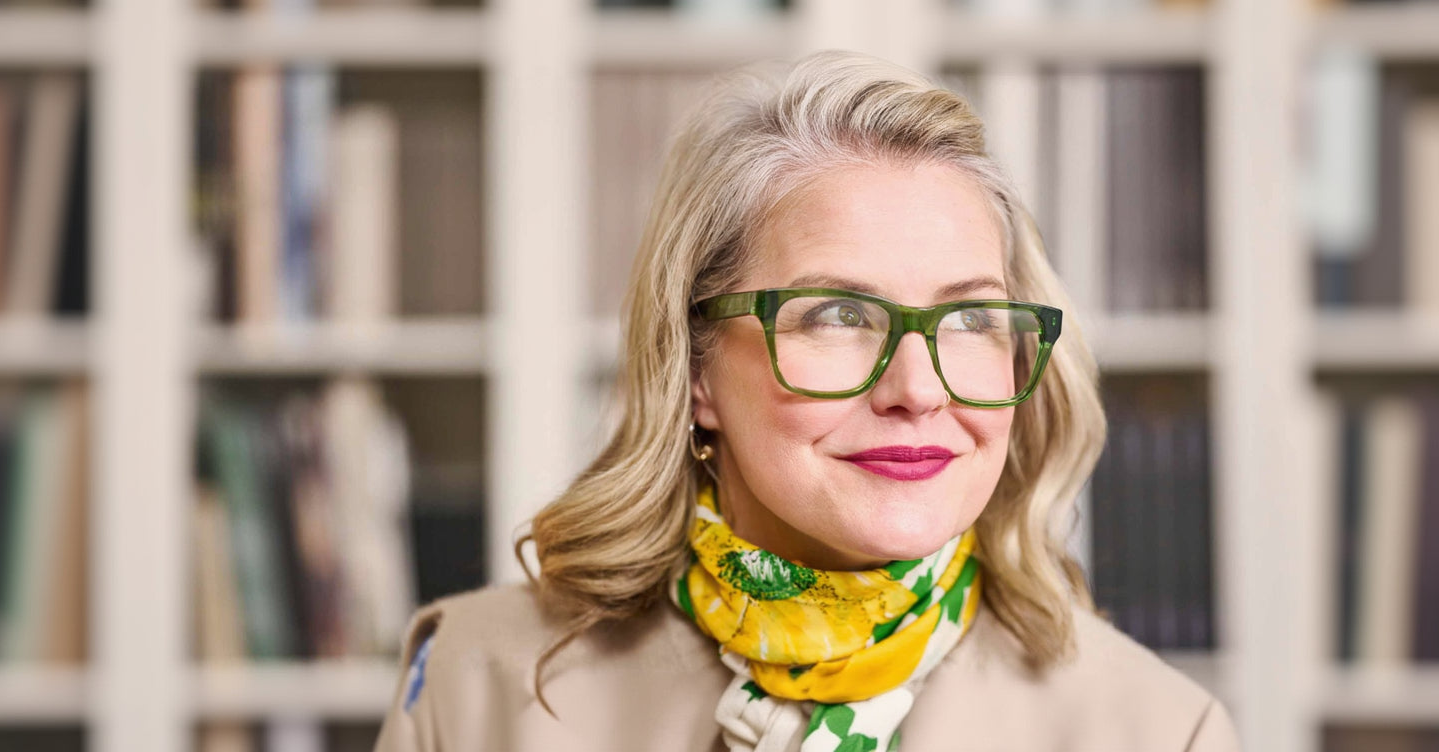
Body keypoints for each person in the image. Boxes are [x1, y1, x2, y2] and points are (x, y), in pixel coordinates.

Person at [372, 50, 1241, 752]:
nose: (917, 390)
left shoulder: (1162, 733)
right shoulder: (474, 688)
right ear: (697, 371)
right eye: (837, 316)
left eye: (972, 318)